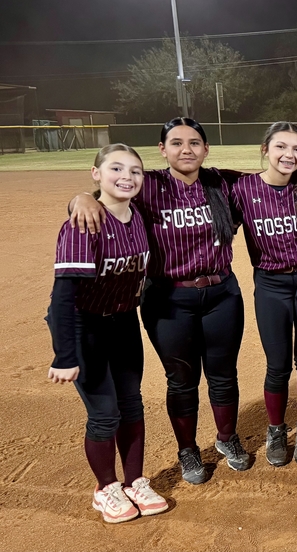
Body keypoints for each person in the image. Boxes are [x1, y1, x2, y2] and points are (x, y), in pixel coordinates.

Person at [70, 118, 250, 484]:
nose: (187, 149)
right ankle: (188, 450)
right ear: (162, 149)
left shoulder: (220, 182)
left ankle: (227, 438)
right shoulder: (148, 184)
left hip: (222, 294)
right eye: (177, 143)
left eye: (195, 142)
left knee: (223, 373)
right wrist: (81, 196)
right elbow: (106, 191)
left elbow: (269, 181)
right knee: (181, 379)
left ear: (206, 149)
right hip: (169, 297)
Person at [47, 144, 168, 523]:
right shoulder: (84, 223)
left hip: (123, 321)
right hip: (86, 325)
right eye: (116, 168)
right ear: (96, 173)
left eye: (135, 171)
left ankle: (135, 482)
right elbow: (64, 296)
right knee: (104, 413)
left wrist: (80, 197)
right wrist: (65, 355)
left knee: (131, 403)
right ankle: (105, 488)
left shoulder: (140, 217)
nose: (126, 177)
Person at [230, 122, 297, 466]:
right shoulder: (242, 188)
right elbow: (204, 180)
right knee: (278, 365)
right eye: (281, 147)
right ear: (265, 149)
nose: (289, 155)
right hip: (270, 285)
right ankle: (275, 429)